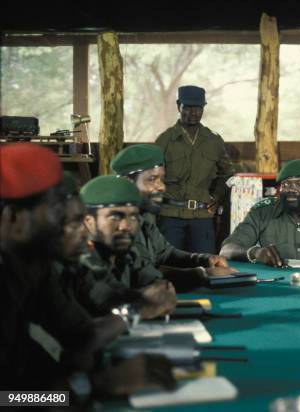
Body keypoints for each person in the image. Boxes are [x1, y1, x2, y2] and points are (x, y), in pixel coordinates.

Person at [0, 143, 175, 396]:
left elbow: (79, 335)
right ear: (14, 219)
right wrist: (94, 385)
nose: (82, 231)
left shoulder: (35, 268)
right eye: (62, 218)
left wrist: (135, 310)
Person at [111, 144, 236, 289]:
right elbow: (141, 275)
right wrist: (201, 274)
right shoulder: (115, 225)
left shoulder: (143, 218)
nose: (162, 187)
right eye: (152, 179)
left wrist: (205, 260)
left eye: (162, 179)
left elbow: (167, 254)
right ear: (128, 182)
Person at [79, 175, 177, 317]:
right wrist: (140, 304)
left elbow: (153, 280)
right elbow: (103, 299)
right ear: (89, 222)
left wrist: (162, 289)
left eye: (132, 217)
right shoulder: (81, 259)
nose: (126, 226)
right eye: (115, 217)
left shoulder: (126, 255)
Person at [155, 85, 235, 254]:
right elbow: (152, 175)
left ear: (203, 109)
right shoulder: (165, 140)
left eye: (198, 108)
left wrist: (218, 196)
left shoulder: (213, 140)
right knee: (170, 267)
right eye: (187, 108)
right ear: (178, 106)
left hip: (202, 217)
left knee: (207, 268)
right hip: (171, 216)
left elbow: (228, 173)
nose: (193, 113)